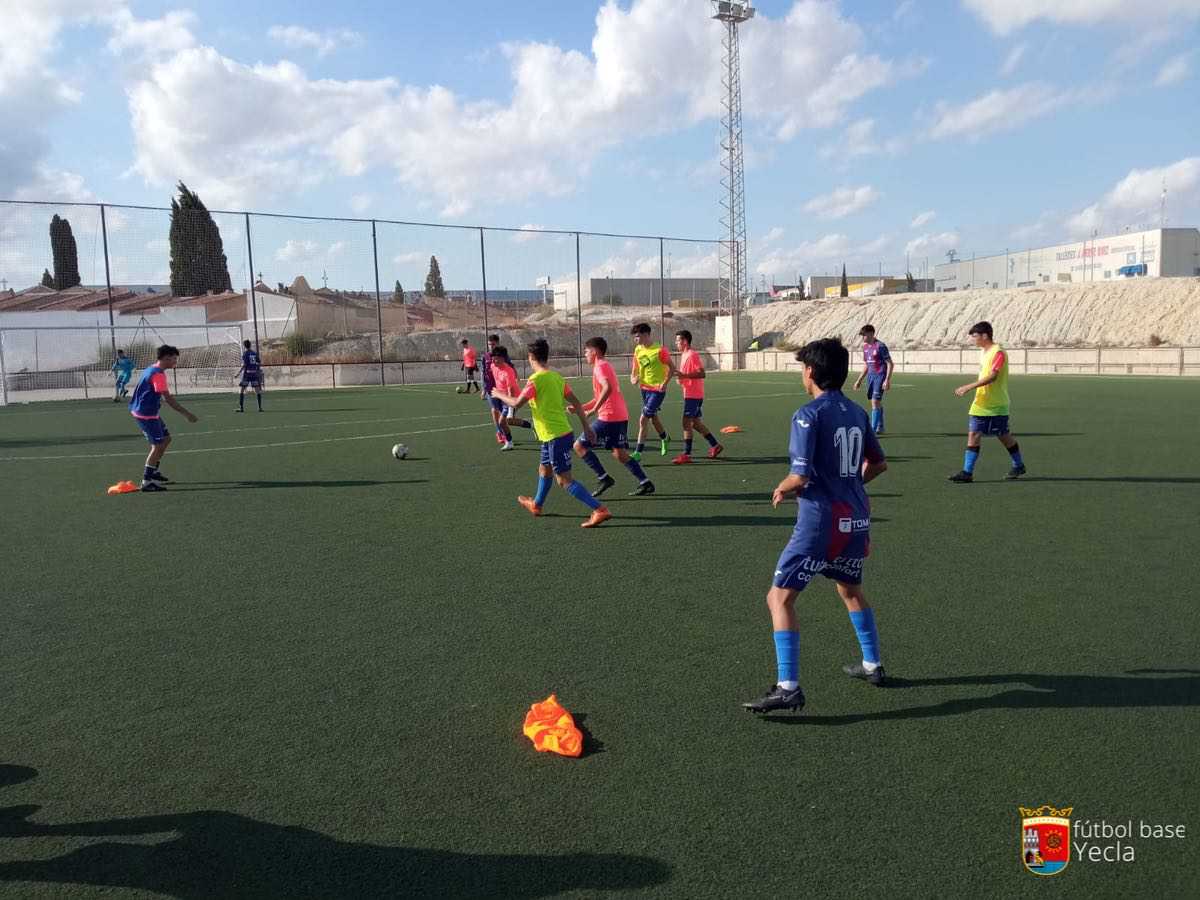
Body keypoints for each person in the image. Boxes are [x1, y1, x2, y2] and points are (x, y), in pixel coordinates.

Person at [743, 337, 889, 714]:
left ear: (809, 371)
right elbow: (877, 464)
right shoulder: (857, 412)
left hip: (821, 523)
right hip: (855, 519)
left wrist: (782, 488)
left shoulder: (808, 413)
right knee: (851, 590)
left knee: (779, 598)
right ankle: (873, 664)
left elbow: (801, 476)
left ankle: (788, 686)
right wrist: (849, 485)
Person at [492, 338, 612, 528]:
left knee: (564, 480)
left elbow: (515, 403)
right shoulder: (556, 377)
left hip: (556, 436)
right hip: (552, 436)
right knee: (544, 469)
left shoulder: (535, 380)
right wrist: (587, 427)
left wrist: (497, 394)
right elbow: (577, 402)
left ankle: (599, 510)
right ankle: (537, 505)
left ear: (531, 357)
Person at [572, 336, 655, 497]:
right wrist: (581, 408)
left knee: (579, 446)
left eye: (586, 351)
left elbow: (607, 388)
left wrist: (593, 410)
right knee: (619, 452)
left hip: (609, 416)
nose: (585, 355)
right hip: (618, 415)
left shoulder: (600, 367)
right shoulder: (604, 365)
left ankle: (604, 478)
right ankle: (645, 482)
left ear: (595, 351)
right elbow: (601, 394)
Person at [948, 321, 1027, 483]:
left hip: (996, 403)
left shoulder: (998, 352)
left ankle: (1018, 464)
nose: (972, 339)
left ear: (985, 335)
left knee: (1003, 435)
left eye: (975, 336)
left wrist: (968, 386)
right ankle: (967, 472)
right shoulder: (984, 352)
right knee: (974, 434)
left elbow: (993, 376)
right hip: (981, 402)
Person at [128, 345, 199, 493]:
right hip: (146, 414)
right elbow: (168, 399)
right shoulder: (158, 374)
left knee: (166, 439)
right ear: (166, 358)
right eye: (174, 358)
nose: (175, 362)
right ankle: (146, 482)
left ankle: (153, 471)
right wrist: (187, 414)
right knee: (157, 446)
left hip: (147, 411)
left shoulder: (151, 368)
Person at [670, 330, 723, 464]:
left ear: (685, 341)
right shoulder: (684, 355)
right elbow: (686, 374)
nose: (676, 343)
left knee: (686, 422)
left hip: (693, 395)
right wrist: (680, 376)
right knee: (695, 423)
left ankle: (686, 454)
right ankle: (715, 445)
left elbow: (702, 373)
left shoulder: (692, 355)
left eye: (678, 340)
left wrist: (684, 376)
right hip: (691, 394)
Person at [628, 322, 675, 460]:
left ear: (646, 334)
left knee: (643, 419)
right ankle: (665, 438)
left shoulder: (660, 350)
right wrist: (633, 378)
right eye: (634, 337)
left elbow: (672, 368)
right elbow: (635, 369)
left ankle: (638, 453)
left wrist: (665, 383)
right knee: (653, 419)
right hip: (644, 389)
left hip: (657, 391)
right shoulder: (638, 350)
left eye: (637, 336)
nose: (635, 339)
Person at [490, 346, 533, 450]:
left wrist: (510, 407)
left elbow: (511, 391)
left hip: (513, 398)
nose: (493, 360)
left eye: (495, 358)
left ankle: (509, 442)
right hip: (502, 397)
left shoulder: (508, 371)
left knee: (503, 421)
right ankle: (532, 426)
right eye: (493, 357)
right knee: (508, 421)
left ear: (502, 358)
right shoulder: (493, 366)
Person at [851, 324, 892, 434]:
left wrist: (887, 379)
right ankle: (880, 426)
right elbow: (866, 365)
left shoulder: (880, 346)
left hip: (880, 376)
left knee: (875, 401)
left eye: (863, 335)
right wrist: (859, 380)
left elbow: (889, 363)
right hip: (870, 377)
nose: (862, 337)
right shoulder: (865, 348)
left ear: (871, 333)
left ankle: (872, 431)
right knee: (875, 402)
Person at [235, 340, 263, 412]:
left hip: (247, 374)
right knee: (257, 390)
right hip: (254, 374)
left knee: (242, 390)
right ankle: (259, 408)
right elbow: (259, 363)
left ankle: (241, 408)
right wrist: (255, 368)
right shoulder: (254, 353)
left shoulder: (245, 354)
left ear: (244, 346)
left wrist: (238, 373)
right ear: (250, 345)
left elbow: (244, 365)